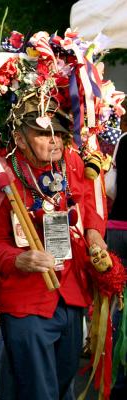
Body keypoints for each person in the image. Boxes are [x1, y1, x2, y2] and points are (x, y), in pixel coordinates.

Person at [0, 95, 107, 400]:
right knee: (38, 391)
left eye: (60, 134)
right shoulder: (2, 174)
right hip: (27, 298)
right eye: (42, 133)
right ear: (19, 138)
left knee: (62, 382)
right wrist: (19, 259)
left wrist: (94, 234)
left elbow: (90, 203)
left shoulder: (73, 162)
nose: (54, 141)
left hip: (71, 292)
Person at [106, 106, 127, 399]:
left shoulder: (123, 140)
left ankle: (115, 378)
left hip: (118, 226)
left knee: (118, 303)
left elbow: (110, 188)